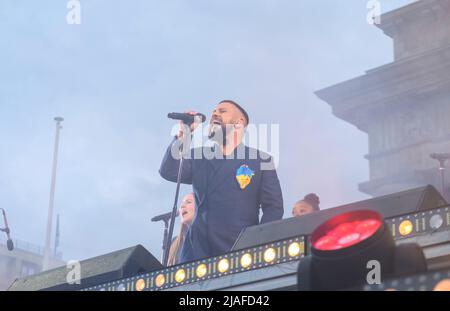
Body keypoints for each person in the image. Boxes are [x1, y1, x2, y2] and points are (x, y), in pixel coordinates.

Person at [159, 100, 284, 262]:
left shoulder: (260, 161)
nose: (215, 114)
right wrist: (183, 136)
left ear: (239, 123)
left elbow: (273, 207)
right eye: (213, 112)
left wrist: (258, 244)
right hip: (196, 253)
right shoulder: (200, 156)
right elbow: (169, 171)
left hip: (239, 251)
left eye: (222, 111)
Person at [167, 193, 195, 266]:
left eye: (188, 202)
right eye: (181, 203)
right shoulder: (174, 242)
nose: (182, 206)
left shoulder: (208, 236)